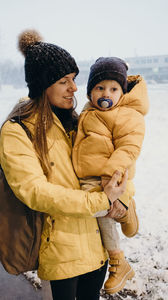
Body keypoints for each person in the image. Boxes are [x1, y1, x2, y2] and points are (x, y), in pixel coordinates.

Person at [0, 31, 128, 300]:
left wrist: (120, 201)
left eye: (74, 80)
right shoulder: (18, 130)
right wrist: (99, 201)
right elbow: (34, 191)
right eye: (63, 81)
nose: (74, 88)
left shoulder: (79, 123)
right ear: (42, 85)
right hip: (60, 251)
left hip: (96, 247)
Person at [72, 57, 149, 294]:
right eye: (100, 87)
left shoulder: (127, 114)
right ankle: (119, 262)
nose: (107, 93)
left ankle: (125, 208)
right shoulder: (88, 111)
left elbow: (128, 148)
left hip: (110, 179)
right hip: (89, 179)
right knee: (98, 218)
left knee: (87, 209)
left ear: (122, 92)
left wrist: (109, 177)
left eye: (114, 89)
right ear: (90, 92)